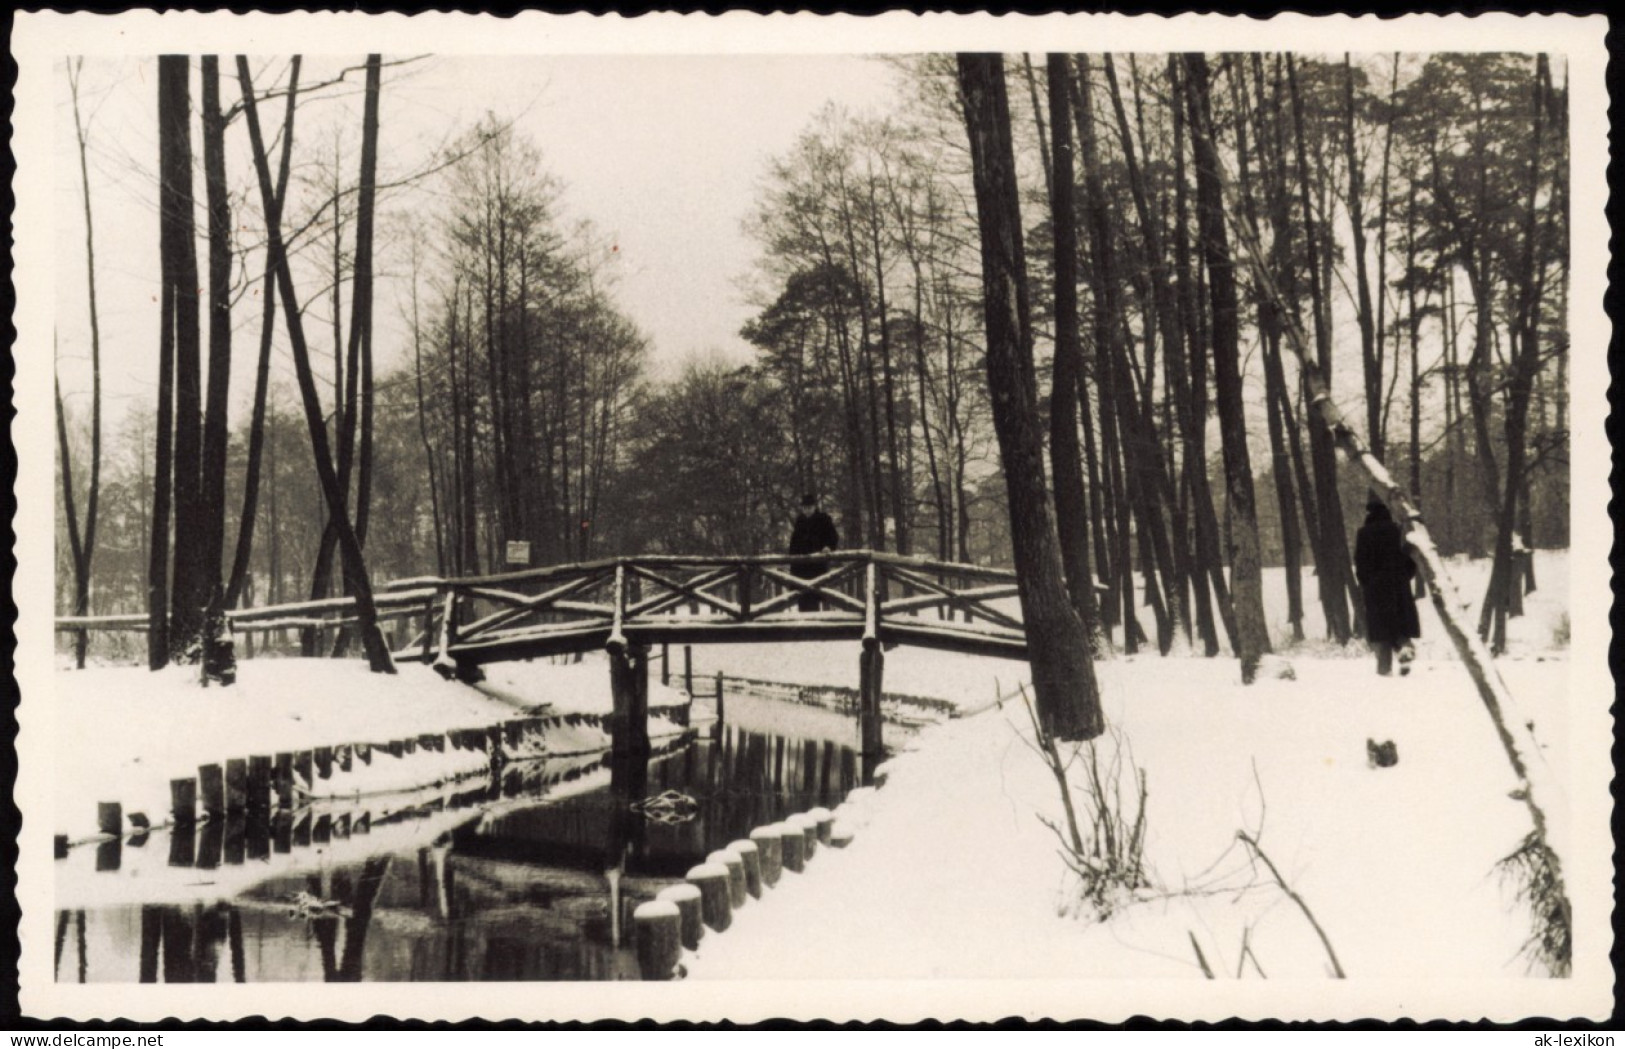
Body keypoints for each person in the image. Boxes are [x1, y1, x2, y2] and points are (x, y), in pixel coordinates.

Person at [1353, 496, 1421, 676]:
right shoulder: (1397, 530)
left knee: (1382, 632)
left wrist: (1366, 583)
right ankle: (1405, 647)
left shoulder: (1363, 533)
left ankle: (1384, 674)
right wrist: (1406, 576)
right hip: (1398, 586)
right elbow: (1409, 556)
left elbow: (1360, 563)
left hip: (1375, 589)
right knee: (1399, 624)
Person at [788, 493, 840, 613]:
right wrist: (792, 558)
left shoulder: (823, 519)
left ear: (814, 507)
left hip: (816, 566)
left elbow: (833, 536)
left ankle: (814, 622)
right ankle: (804, 625)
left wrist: (828, 547)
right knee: (802, 596)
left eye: (809, 507)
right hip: (800, 567)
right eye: (804, 507)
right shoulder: (799, 521)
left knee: (814, 595)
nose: (807, 510)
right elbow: (794, 542)